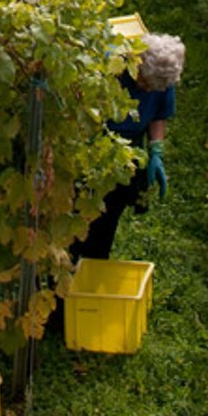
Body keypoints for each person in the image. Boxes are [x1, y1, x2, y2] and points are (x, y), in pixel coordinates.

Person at [71, 32, 185, 263]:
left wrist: (156, 150)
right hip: (93, 147)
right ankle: (70, 260)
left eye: (154, 88)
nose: (147, 91)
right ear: (137, 65)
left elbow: (159, 114)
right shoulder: (109, 70)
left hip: (126, 152)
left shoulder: (161, 78)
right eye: (144, 84)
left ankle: (96, 261)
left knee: (109, 214)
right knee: (80, 209)